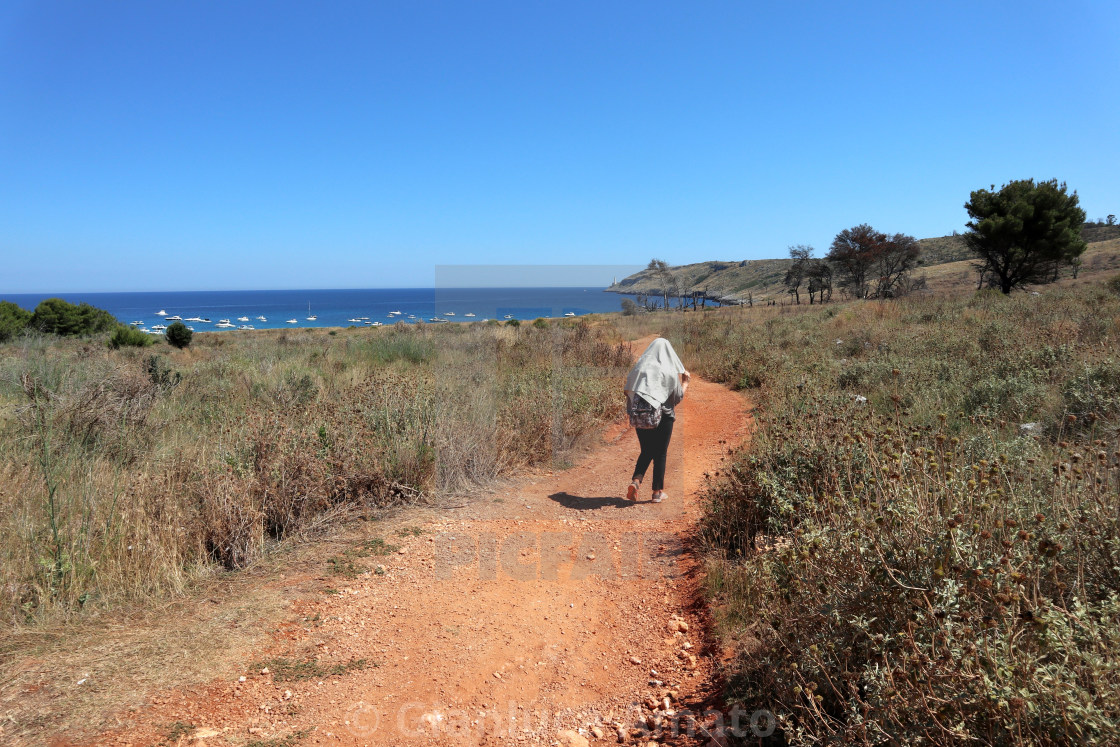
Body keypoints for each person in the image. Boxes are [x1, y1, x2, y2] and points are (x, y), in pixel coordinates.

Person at [624, 338, 690, 503]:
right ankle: (656, 493)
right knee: (660, 452)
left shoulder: (638, 370)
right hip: (664, 417)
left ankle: (636, 481)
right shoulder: (668, 372)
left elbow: (628, 392)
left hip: (641, 416)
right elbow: (677, 397)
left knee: (646, 450)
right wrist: (685, 382)